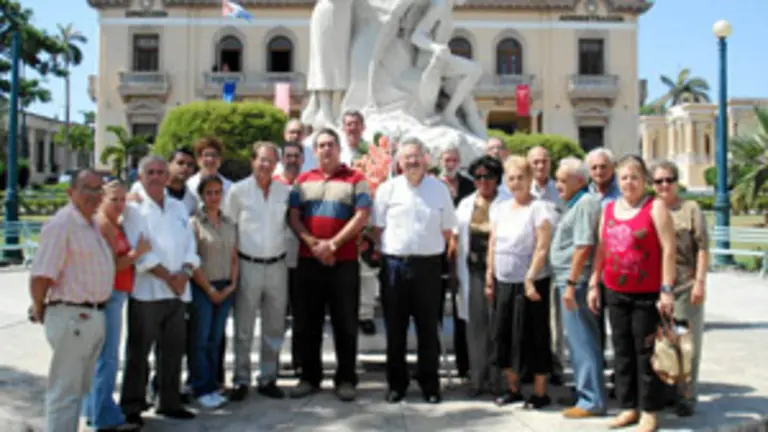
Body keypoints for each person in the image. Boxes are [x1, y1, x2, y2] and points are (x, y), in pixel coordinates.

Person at [588, 155, 676, 431]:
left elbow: (669, 249)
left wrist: (667, 289)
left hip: (646, 293)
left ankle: (649, 410)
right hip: (615, 291)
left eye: (634, 177)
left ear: (644, 180)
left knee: (645, 351)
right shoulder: (609, 209)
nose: (629, 183)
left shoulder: (655, 207)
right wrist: (594, 282)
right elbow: (602, 248)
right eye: (624, 177)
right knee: (622, 351)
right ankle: (628, 406)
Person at [29, 169, 115, 432]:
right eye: (87, 188)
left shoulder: (89, 223)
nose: (95, 195)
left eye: (99, 189)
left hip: (90, 316)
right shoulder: (62, 224)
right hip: (73, 316)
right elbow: (41, 275)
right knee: (64, 393)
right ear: (71, 192)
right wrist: (39, 307)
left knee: (76, 391)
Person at [288, 128, 371, 402]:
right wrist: (314, 244)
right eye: (321, 145)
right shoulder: (302, 181)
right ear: (314, 151)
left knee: (345, 323)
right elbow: (293, 217)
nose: (326, 149)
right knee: (307, 323)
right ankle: (309, 377)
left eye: (330, 144)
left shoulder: (356, 179)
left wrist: (333, 245)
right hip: (308, 261)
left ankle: (346, 379)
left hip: (343, 262)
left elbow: (361, 216)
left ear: (338, 148)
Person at [373, 137, 457, 404]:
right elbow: (377, 229)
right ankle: (396, 384)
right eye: (407, 157)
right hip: (395, 266)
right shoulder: (387, 189)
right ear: (399, 162)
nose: (412, 161)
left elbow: (448, 230)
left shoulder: (439, 190)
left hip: (428, 267)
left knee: (428, 328)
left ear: (426, 159)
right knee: (395, 328)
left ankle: (429, 384)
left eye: (416, 156)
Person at [120, 156, 200, 425]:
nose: (156, 176)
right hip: (148, 292)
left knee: (173, 351)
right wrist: (169, 277)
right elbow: (140, 251)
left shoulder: (178, 207)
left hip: (178, 292)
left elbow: (190, 244)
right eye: (150, 172)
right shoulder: (133, 209)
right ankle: (132, 405)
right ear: (140, 176)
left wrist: (186, 272)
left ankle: (169, 401)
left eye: (160, 172)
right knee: (139, 353)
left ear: (168, 177)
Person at [486, 156, 555, 409]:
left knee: (534, 335)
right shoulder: (500, 208)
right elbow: (493, 243)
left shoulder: (539, 208)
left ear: (530, 179)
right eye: (511, 178)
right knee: (504, 335)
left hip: (531, 284)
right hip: (504, 280)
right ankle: (513, 388)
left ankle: (539, 392)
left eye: (520, 178)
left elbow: (542, 246)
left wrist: (530, 277)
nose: (516, 183)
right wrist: (489, 275)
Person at [83, 180, 151, 431]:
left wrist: (130, 196)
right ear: (101, 199)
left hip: (114, 294)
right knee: (108, 358)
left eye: (123, 200)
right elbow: (111, 264)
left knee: (100, 357)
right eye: (115, 200)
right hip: (109, 294)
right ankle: (104, 416)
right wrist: (137, 253)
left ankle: (93, 410)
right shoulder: (103, 225)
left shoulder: (111, 221)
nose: (121, 204)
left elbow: (124, 197)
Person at [226, 142, 292, 401]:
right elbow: (229, 229)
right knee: (244, 326)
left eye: (271, 160)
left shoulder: (285, 192)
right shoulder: (237, 191)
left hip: (277, 265)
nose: (266, 165)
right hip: (247, 264)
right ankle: (241, 378)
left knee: (274, 325)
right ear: (252, 161)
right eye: (262, 159)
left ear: (277, 164)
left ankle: (268, 377)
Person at [548, 157, 605, 418]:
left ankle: (591, 399)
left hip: (576, 281)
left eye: (562, 180)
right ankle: (585, 392)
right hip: (568, 280)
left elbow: (583, 246)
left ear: (579, 181)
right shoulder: (575, 203)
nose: (557, 184)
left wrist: (571, 284)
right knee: (577, 340)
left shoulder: (585, 203)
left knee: (582, 340)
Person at [651, 160, 708, 417]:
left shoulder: (690, 209)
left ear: (676, 182)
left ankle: (687, 395)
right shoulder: (651, 209)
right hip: (657, 286)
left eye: (669, 180)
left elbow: (702, 248)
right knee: (663, 343)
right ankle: (666, 391)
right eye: (659, 181)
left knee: (686, 343)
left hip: (685, 285)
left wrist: (700, 282)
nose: (664, 185)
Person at [452, 155, 504, 397]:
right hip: (473, 271)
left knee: (498, 325)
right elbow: (455, 237)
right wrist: (452, 269)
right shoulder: (465, 204)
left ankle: (497, 379)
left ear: (497, 179)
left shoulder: (506, 203)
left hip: (501, 272)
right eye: (478, 177)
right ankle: (477, 377)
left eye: (488, 176)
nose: (483, 181)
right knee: (475, 325)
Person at [188, 175, 238, 408]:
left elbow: (234, 256)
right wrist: (208, 289)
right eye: (209, 193)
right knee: (201, 339)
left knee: (216, 340)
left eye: (217, 192)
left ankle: (213, 384)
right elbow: (192, 261)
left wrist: (232, 285)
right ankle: (201, 387)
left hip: (225, 287)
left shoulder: (229, 223)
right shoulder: (194, 223)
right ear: (201, 196)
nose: (214, 197)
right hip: (202, 288)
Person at [438, 143, 474, 379]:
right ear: (440, 161)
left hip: (463, 254)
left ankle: (465, 363)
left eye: (454, 160)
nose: (450, 164)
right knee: (434, 310)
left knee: (463, 310)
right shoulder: (433, 184)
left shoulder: (469, 186)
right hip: (437, 255)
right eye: (446, 160)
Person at [274, 141, 306, 373]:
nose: (292, 160)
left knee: (302, 314)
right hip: (277, 257)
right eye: (288, 156)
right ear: (282, 159)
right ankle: (272, 362)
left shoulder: (308, 184)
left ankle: (299, 361)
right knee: (276, 315)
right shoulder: (272, 185)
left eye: (296, 156)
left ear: (302, 159)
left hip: (303, 257)